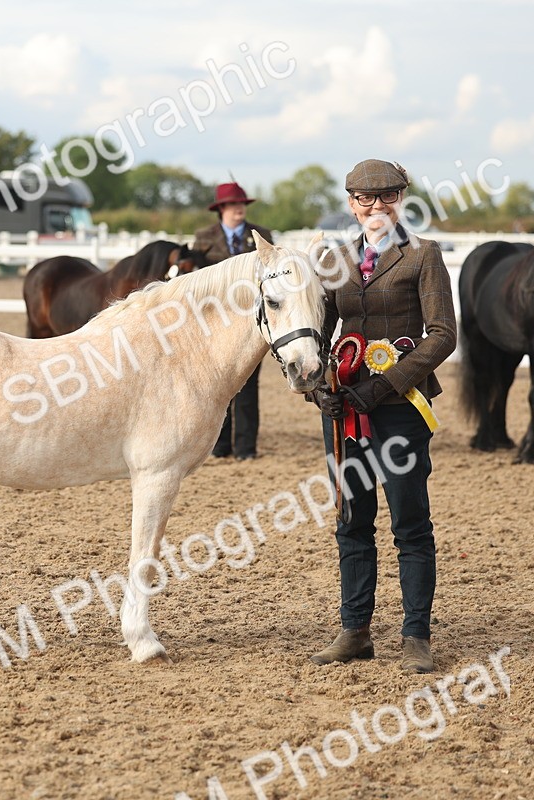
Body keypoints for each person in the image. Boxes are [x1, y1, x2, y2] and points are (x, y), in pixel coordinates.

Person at [309, 159, 456, 674]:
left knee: (410, 522)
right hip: (346, 412)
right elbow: (318, 334)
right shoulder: (334, 261)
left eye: (387, 197)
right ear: (352, 204)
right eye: (366, 200)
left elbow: (442, 334)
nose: (376, 207)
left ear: (401, 199)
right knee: (352, 520)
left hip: (400, 410)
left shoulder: (423, 256)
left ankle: (416, 634)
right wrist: (318, 389)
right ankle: (355, 631)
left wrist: (385, 384)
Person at [194, 181, 273, 460]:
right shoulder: (203, 238)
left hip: (251, 323)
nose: (239, 208)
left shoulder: (262, 236)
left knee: (248, 384)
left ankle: (246, 448)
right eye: (233, 204)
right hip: (216, 323)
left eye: (242, 204)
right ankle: (220, 446)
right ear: (221, 209)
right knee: (218, 384)